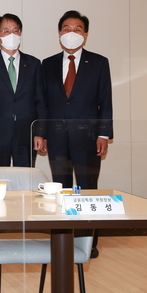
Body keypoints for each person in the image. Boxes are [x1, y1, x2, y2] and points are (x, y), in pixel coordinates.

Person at [42, 10, 112, 189]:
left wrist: (103, 134)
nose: (71, 33)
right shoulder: (48, 64)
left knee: (88, 187)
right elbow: (43, 102)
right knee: (60, 187)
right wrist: (42, 133)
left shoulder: (99, 63)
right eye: (67, 29)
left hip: (88, 138)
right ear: (60, 33)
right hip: (57, 138)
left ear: (85, 35)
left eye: (77, 29)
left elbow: (105, 101)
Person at [0, 14, 46, 167]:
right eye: (6, 31)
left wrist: (40, 133)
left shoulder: (34, 64)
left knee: (25, 178)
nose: (12, 35)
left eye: (16, 31)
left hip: (27, 134)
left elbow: (40, 102)